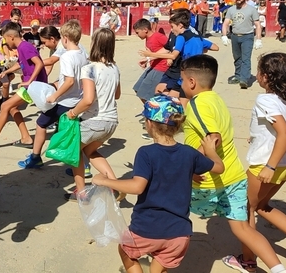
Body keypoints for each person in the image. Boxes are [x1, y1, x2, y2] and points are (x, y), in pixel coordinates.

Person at [179, 55, 286, 273]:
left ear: (192, 81)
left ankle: (155, 257)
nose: (182, 85)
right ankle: (279, 269)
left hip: (207, 180)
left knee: (170, 213)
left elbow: (213, 137)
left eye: (182, 80)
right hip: (235, 177)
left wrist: (194, 165)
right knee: (243, 228)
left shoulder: (197, 104)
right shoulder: (216, 98)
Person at [92, 94, 224, 273]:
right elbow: (219, 167)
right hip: (179, 233)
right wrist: (209, 151)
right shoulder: (189, 154)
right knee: (159, 269)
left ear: (150, 124)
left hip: (146, 229)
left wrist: (106, 180)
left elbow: (137, 186)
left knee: (125, 250)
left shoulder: (146, 153)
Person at [229, 52, 286, 272]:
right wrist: (262, 135)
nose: (257, 75)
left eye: (259, 71)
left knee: (245, 210)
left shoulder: (265, 99)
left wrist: (269, 165)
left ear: (267, 77)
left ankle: (247, 259)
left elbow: (284, 133)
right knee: (261, 207)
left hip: (265, 165)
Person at [18, 19, 88, 169]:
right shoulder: (82, 53)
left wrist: (54, 96)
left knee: (40, 124)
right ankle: (84, 164)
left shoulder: (67, 56)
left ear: (64, 38)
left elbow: (69, 81)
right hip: (79, 98)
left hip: (66, 100)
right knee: (73, 131)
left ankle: (35, 157)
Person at [63, 28, 123, 200]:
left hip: (95, 120)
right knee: (90, 151)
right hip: (111, 121)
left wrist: (73, 113)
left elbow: (88, 100)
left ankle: (81, 192)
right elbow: (117, 95)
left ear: (94, 44)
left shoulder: (89, 69)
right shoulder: (114, 68)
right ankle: (114, 184)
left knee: (74, 152)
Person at [0, 22, 47, 149]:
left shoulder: (24, 47)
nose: (5, 42)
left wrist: (29, 81)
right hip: (31, 85)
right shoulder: (22, 47)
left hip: (33, 86)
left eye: (5, 39)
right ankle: (26, 138)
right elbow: (21, 63)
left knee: (6, 105)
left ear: (12, 37)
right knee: (12, 108)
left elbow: (39, 63)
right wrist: (6, 72)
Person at [142, 10, 218, 102]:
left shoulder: (181, 37)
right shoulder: (197, 37)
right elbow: (215, 47)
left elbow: (173, 56)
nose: (171, 30)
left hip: (186, 74)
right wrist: (200, 49)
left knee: (172, 102)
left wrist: (150, 54)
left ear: (180, 25)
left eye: (172, 26)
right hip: (198, 74)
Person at [221, 0, 263, 89]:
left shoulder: (251, 10)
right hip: (235, 36)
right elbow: (226, 23)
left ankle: (244, 79)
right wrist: (224, 35)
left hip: (247, 37)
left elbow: (258, 25)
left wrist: (258, 39)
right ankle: (238, 75)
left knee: (245, 59)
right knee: (237, 58)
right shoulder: (231, 9)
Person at [131, 18, 169, 104]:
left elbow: (169, 48)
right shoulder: (148, 38)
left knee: (146, 94)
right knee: (137, 89)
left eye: (137, 32)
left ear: (145, 30)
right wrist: (147, 60)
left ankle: (153, 112)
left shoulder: (158, 36)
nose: (137, 35)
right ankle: (150, 110)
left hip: (160, 68)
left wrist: (148, 58)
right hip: (153, 67)